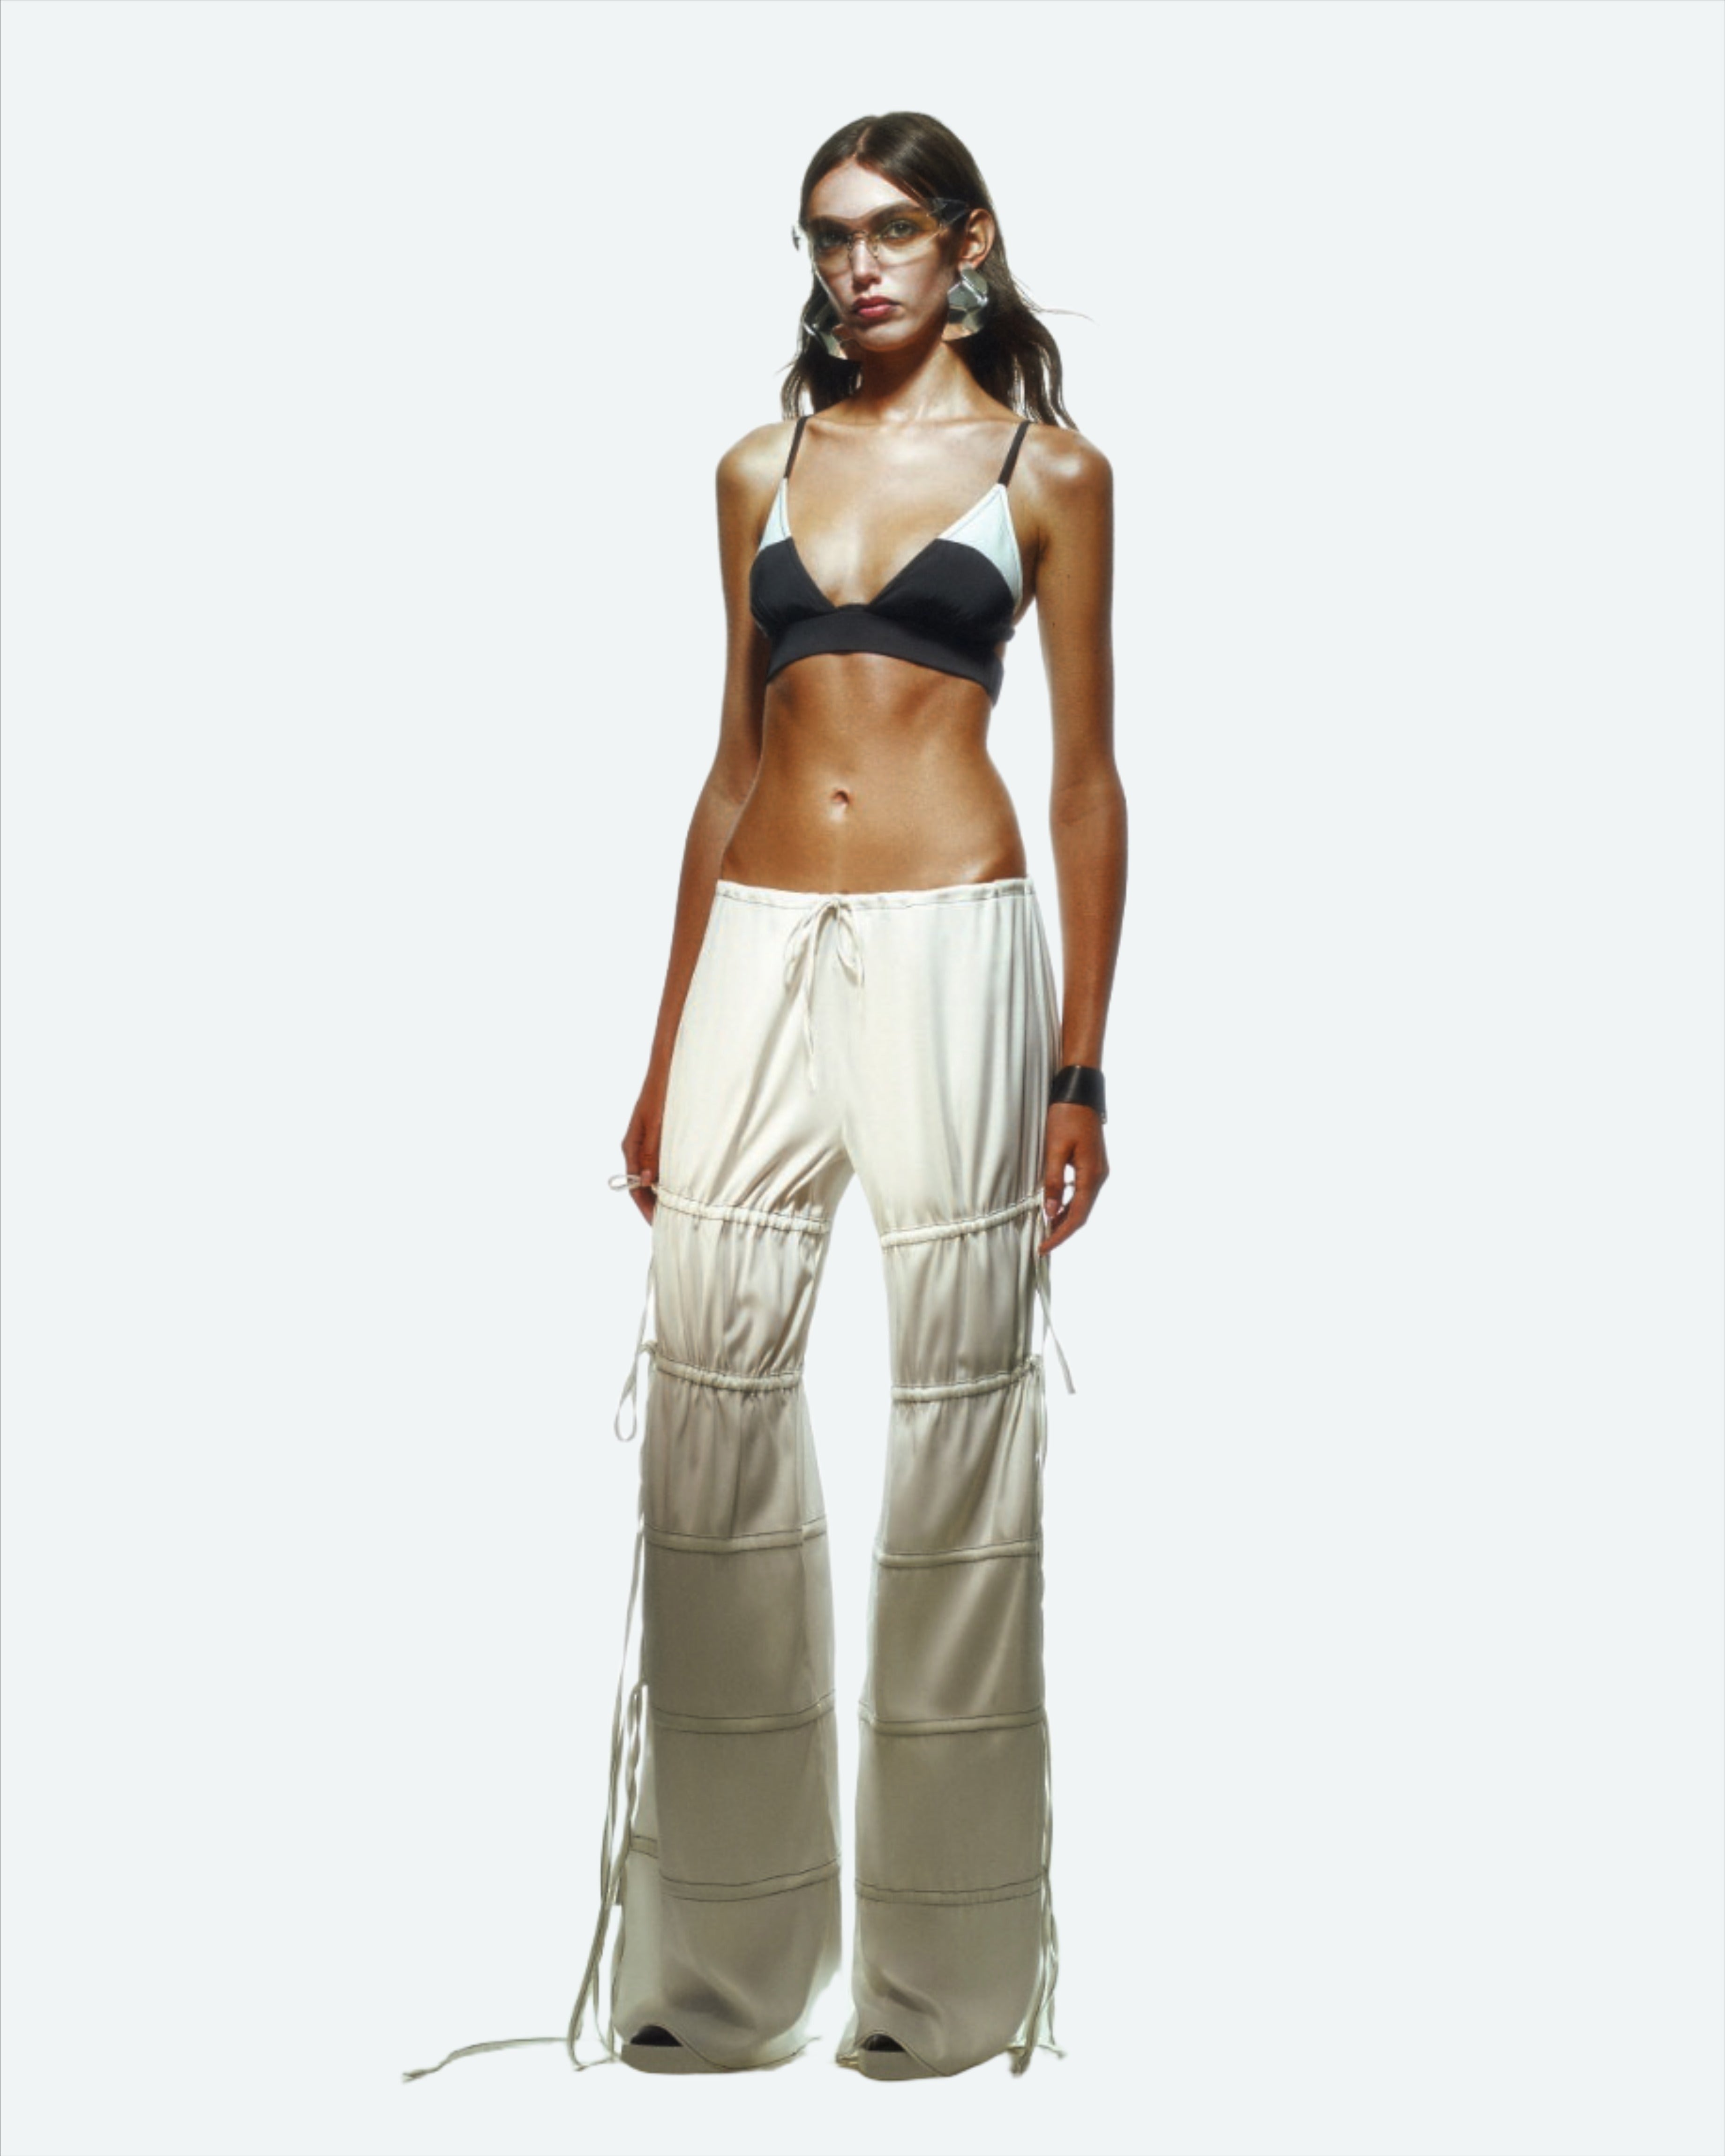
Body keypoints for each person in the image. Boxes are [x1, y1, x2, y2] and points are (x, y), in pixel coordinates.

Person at [402, 106, 1126, 2091]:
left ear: (966, 244)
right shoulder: (760, 466)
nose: (855, 267)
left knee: (956, 1415)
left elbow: (1082, 780)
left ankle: (939, 1992)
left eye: (889, 231)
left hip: (957, 937)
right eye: (825, 237)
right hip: (756, 943)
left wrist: (1079, 1065)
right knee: (706, 1409)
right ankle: (723, 1978)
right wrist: (665, 1050)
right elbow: (728, 771)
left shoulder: (1051, 474)